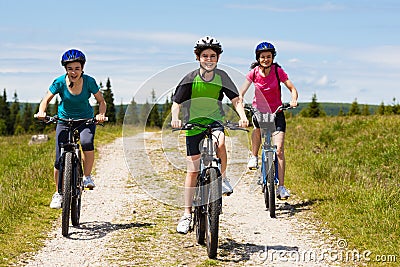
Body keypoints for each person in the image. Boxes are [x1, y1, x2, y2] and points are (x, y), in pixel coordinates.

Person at [171, 36, 249, 234]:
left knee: (220, 144)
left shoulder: (222, 77)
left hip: (215, 121)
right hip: (193, 124)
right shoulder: (190, 78)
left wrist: (242, 116)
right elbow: (176, 103)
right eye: (205, 55)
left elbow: (236, 99)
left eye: (212, 56)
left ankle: (221, 178)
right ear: (198, 57)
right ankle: (187, 214)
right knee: (193, 170)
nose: (208, 59)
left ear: (218, 57)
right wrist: (175, 118)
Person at [36, 49, 107, 209]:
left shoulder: (89, 81)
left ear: (82, 68)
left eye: (77, 68)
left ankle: (87, 176)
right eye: (70, 69)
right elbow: (46, 99)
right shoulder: (59, 82)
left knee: (87, 142)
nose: (73, 72)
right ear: (65, 69)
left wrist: (101, 114)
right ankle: (59, 193)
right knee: (58, 159)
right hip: (64, 120)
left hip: (85, 120)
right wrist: (42, 111)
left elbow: (101, 101)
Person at [239, 41, 298, 200]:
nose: (266, 59)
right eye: (263, 57)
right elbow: (242, 91)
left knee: (279, 150)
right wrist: (241, 100)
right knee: (257, 129)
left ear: (273, 57)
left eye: (268, 57)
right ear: (258, 58)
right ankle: (254, 156)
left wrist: (293, 100)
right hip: (259, 110)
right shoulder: (254, 73)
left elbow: (292, 88)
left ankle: (281, 187)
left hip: (277, 111)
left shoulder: (278, 71)